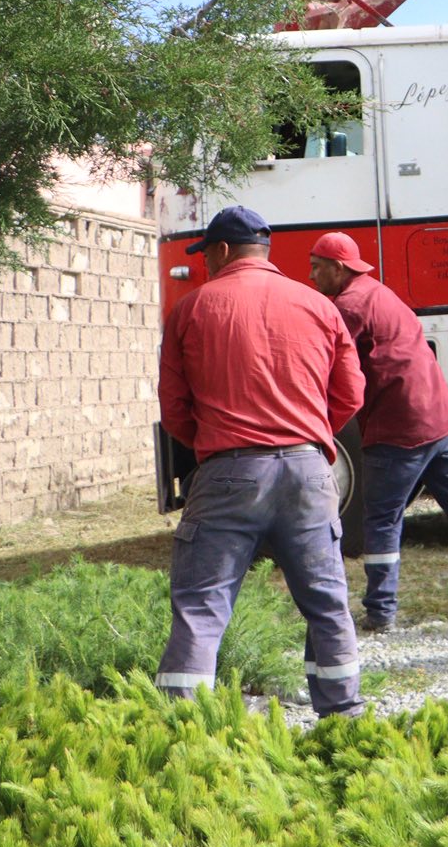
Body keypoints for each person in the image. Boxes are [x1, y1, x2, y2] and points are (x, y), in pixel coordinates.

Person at [154, 206, 366, 717]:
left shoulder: (191, 309)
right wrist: (308, 437)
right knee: (326, 603)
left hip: (228, 470)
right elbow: (351, 394)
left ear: (223, 251)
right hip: (308, 473)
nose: (204, 263)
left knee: (202, 607)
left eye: (206, 254)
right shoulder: (318, 306)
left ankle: (184, 732)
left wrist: (215, 447)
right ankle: (345, 720)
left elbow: (174, 410)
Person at [309, 232, 448, 636]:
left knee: (382, 520)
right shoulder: (379, 292)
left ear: (339, 268)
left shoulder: (348, 306)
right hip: (439, 419)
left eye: (317, 267)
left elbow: (331, 368)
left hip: (399, 427)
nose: (312, 275)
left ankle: (381, 612)